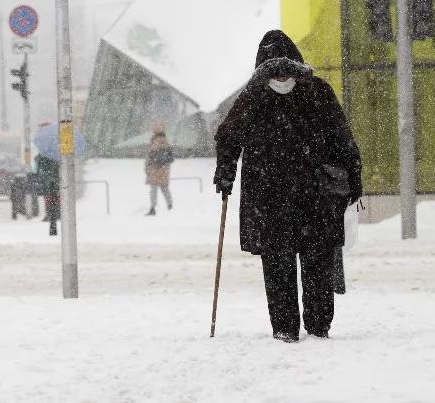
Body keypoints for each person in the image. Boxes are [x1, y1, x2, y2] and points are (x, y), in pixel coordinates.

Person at [212, 30, 361, 343]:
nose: (281, 77)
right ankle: (289, 328)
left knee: (312, 262)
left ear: (296, 67)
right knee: (291, 263)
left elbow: (341, 138)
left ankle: (314, 326)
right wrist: (225, 170)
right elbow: (229, 137)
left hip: (301, 196)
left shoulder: (308, 92)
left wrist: (352, 177)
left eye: (285, 70)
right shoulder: (260, 97)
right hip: (278, 199)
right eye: (274, 71)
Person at [144, 127, 175, 215]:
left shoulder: (156, 142)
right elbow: (170, 158)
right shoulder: (167, 143)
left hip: (155, 169)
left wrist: (148, 168)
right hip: (164, 169)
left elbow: (151, 157)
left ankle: (153, 208)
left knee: (154, 189)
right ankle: (170, 206)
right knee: (164, 188)